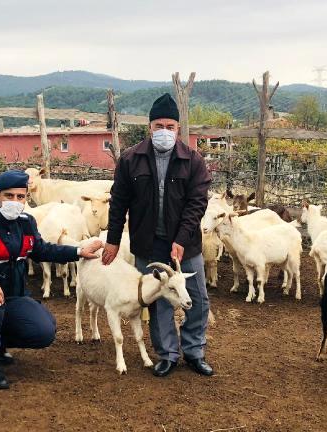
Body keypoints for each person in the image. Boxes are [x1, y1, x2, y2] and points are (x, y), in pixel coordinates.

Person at [0, 170, 102, 389]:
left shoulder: (26, 222)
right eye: (9, 196)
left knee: (43, 331)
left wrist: (78, 252)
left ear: (26, 198)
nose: (15, 201)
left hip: (11, 297)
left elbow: (41, 250)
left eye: (20, 197)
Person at [103, 93, 213, 377]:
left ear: (178, 129)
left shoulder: (193, 161)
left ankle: (194, 351)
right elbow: (119, 202)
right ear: (149, 127)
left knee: (196, 298)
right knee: (156, 298)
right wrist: (113, 240)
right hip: (148, 244)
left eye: (170, 126)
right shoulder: (130, 159)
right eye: (159, 126)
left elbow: (196, 204)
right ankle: (167, 354)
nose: (164, 132)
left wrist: (182, 238)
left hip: (186, 245)